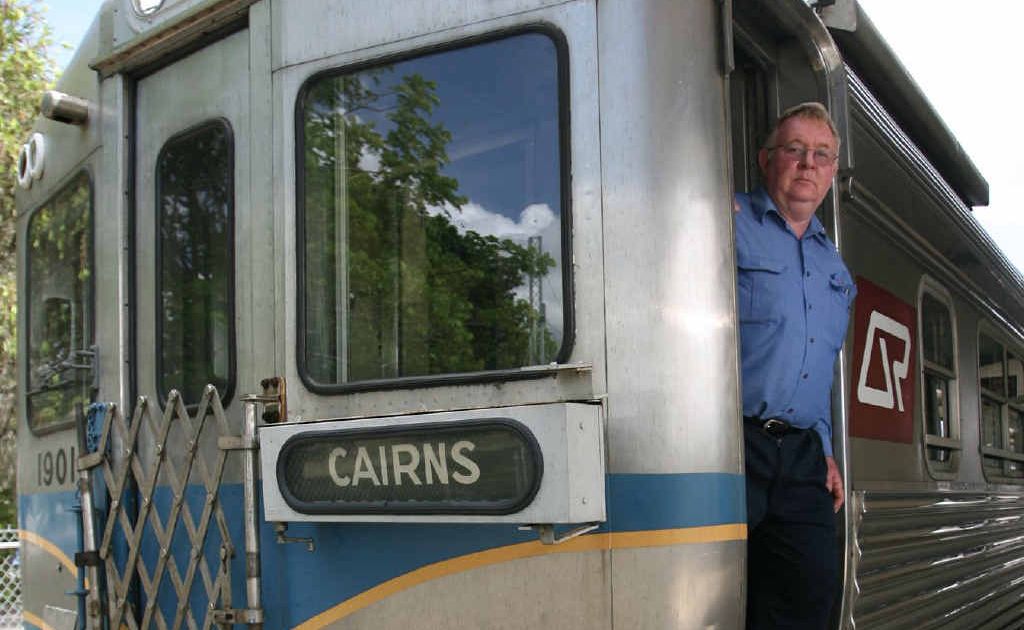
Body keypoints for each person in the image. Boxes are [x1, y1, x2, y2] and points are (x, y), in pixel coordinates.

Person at [735, 101, 856, 629]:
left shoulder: (836, 268)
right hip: (731, 446)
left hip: (803, 455)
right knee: (713, 591)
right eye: (795, 150)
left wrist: (826, 450)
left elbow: (822, 367)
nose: (808, 163)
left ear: (831, 173)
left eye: (821, 155)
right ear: (767, 159)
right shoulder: (725, 222)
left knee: (810, 599)